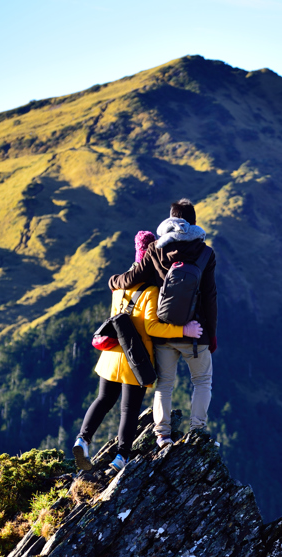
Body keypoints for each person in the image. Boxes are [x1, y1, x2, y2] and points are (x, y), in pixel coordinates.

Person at [73, 233, 203, 472]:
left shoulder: (119, 287)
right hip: (136, 359)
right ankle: (121, 457)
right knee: (129, 410)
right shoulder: (151, 291)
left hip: (111, 355)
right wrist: (184, 329)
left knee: (103, 400)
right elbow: (151, 327)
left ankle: (82, 439)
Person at [108, 199, 217, 446]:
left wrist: (113, 281)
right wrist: (212, 334)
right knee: (202, 382)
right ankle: (197, 431)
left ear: (170, 219)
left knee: (165, 384)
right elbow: (210, 297)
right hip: (195, 332)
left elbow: (132, 278)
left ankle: (162, 434)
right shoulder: (206, 253)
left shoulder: (156, 249)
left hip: (163, 330)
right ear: (193, 222)